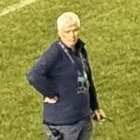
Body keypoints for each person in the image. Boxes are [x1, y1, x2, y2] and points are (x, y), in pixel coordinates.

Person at [27, 11, 106, 139]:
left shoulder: (80, 50)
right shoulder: (55, 53)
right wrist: (51, 94)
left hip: (83, 119)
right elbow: (34, 75)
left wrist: (95, 107)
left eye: (75, 30)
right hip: (63, 124)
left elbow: (87, 79)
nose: (72, 35)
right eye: (67, 32)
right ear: (59, 32)